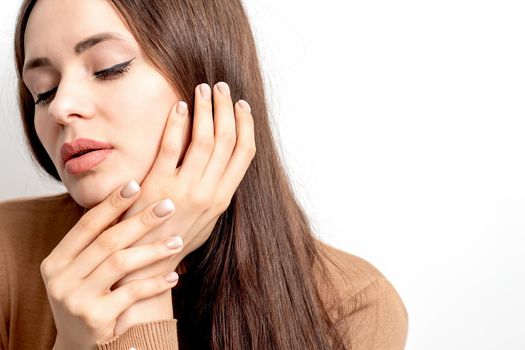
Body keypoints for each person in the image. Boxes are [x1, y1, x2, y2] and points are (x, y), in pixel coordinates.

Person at [0, 0, 409, 349]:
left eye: (109, 68)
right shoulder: (6, 252)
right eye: (43, 90)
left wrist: (143, 275)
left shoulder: (350, 303)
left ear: (209, 79)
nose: (59, 107)